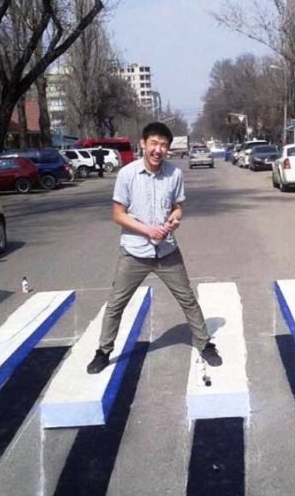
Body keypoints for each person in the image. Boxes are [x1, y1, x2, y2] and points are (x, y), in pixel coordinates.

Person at [87, 122, 222, 374]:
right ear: (143, 144)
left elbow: (177, 207)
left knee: (188, 299)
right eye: (154, 143)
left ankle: (205, 344)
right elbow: (118, 214)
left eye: (163, 145)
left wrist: (175, 218)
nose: (158, 149)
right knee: (116, 303)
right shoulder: (127, 174)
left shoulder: (174, 175)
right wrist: (147, 230)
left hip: (167, 251)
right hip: (134, 252)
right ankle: (103, 352)